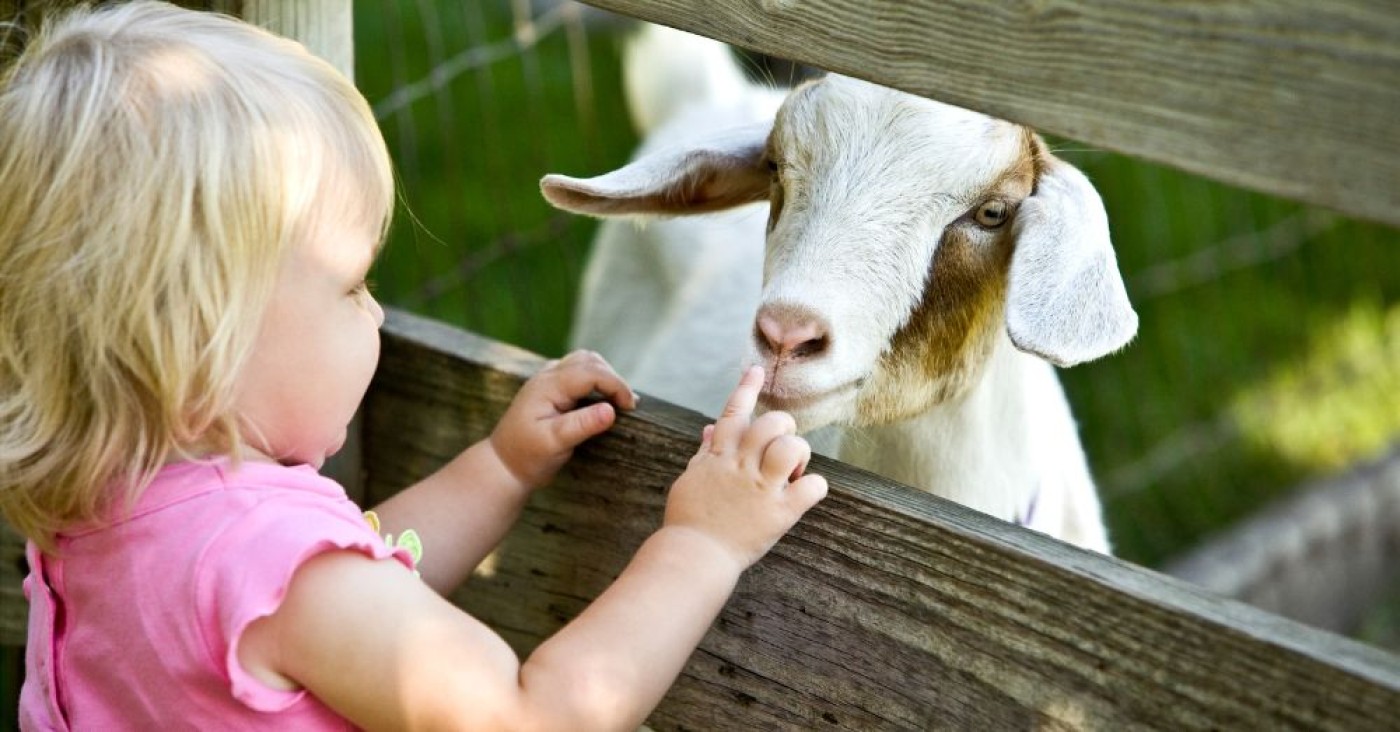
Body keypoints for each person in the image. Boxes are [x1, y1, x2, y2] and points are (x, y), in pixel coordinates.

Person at [0, 2, 828, 729]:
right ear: (199, 343)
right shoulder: (273, 571)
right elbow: (530, 718)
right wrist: (701, 544)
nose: (376, 311)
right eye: (352, 282)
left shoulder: (112, 516)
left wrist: (498, 469)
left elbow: (359, 584)